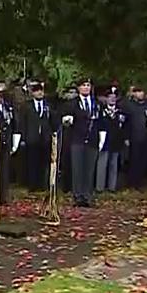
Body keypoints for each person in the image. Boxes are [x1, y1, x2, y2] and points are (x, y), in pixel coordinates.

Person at [61, 78, 104, 207]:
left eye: (88, 85)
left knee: (89, 169)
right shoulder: (72, 103)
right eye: (83, 86)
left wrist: (101, 138)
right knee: (77, 168)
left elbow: (101, 122)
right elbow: (64, 118)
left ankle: (87, 196)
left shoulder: (96, 104)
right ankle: (78, 196)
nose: (86, 88)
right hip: (77, 140)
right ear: (79, 88)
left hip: (92, 139)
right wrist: (67, 120)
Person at [18, 81, 55, 190]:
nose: (39, 93)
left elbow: (53, 121)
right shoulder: (26, 106)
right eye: (36, 91)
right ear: (33, 93)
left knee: (44, 162)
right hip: (32, 138)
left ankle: (43, 184)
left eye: (41, 91)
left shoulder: (48, 106)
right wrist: (23, 137)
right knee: (32, 162)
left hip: (45, 138)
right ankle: (32, 185)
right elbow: (22, 122)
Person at [96, 86, 128, 193]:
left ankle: (111, 187)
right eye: (110, 97)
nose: (112, 99)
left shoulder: (121, 112)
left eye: (114, 97)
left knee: (114, 165)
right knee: (102, 164)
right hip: (104, 141)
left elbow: (124, 127)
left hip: (116, 141)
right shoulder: (100, 111)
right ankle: (99, 187)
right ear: (106, 99)